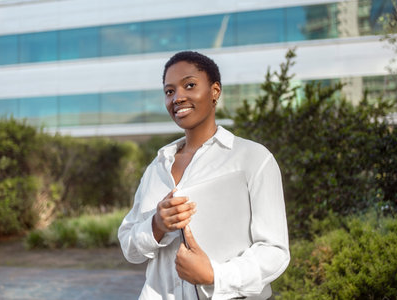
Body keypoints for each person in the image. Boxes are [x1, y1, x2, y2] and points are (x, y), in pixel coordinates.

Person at [118, 51, 290, 299]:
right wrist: (156, 225)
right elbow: (130, 248)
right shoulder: (156, 169)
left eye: (189, 85)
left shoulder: (253, 159)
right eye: (169, 91)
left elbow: (275, 250)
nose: (178, 97)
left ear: (215, 91)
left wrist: (215, 276)